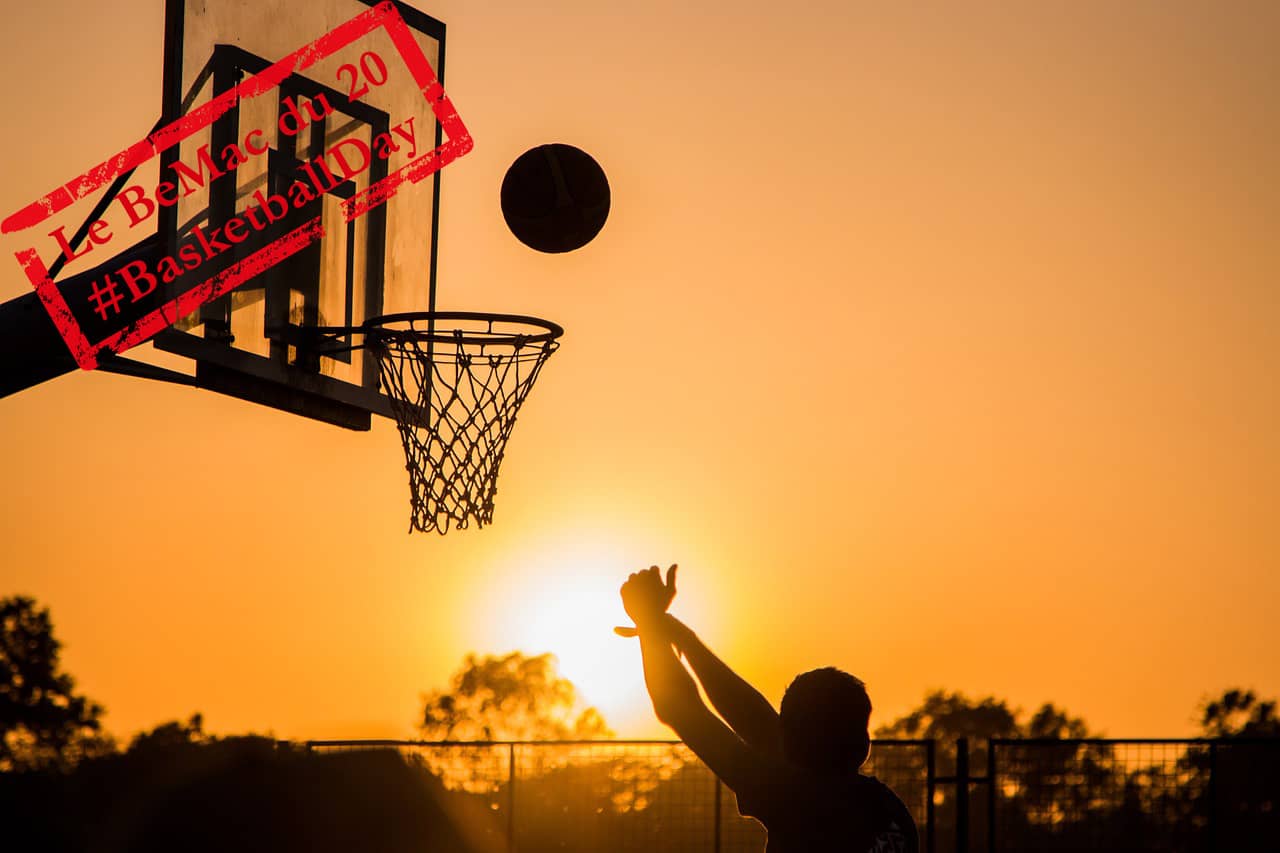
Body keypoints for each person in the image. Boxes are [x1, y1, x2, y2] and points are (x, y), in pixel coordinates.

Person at [616, 565, 918, 853]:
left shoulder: (793, 797)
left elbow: (679, 708)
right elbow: (757, 723)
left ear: (793, 741)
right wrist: (677, 634)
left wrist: (649, 621)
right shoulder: (888, 809)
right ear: (862, 743)